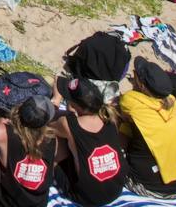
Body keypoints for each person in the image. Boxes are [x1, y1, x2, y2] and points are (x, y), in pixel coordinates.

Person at [116, 59, 176, 196]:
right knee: (131, 125)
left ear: (143, 86)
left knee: (118, 122)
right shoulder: (174, 103)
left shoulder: (130, 101)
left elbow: (121, 106)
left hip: (147, 186)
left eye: (136, 75)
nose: (133, 76)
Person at [52, 78, 126, 206]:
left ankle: (54, 166)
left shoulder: (68, 124)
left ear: (74, 104)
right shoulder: (110, 117)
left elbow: (48, 126)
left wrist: (56, 102)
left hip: (86, 196)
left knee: (55, 137)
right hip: (116, 188)